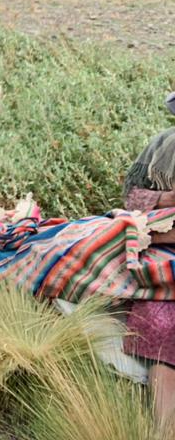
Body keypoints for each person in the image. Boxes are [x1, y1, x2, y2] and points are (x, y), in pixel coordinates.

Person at [123, 128, 175, 432]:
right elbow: (131, 197)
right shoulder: (163, 144)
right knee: (162, 326)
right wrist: (167, 197)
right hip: (162, 250)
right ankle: (166, 430)